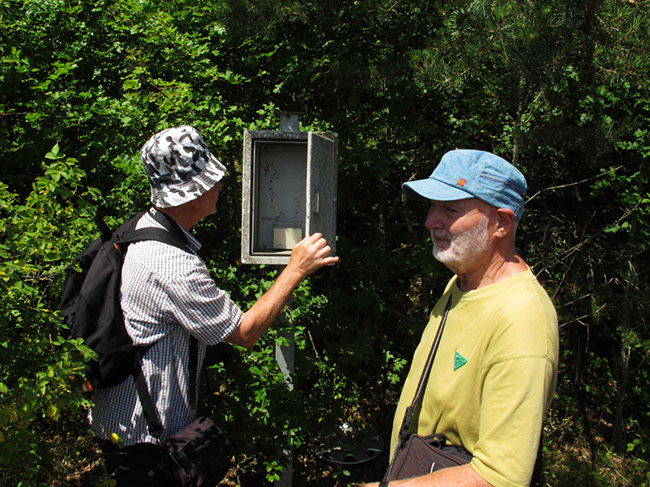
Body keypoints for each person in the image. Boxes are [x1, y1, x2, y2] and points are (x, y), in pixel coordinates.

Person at [88, 125, 339, 486]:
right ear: (191, 195)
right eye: (211, 180)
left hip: (118, 422)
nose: (220, 186)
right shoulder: (172, 264)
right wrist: (295, 270)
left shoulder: (141, 229)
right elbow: (245, 332)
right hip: (144, 443)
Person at [367, 150, 559, 487]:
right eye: (432, 206)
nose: (430, 221)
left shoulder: (522, 319)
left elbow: (500, 477)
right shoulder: (462, 281)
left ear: (501, 223)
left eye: (450, 209)